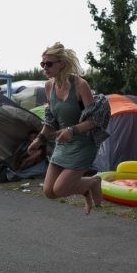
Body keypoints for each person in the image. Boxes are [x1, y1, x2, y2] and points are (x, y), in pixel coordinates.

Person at [27, 42, 110, 214]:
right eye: (42, 64)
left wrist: (72, 130)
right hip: (62, 143)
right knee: (49, 192)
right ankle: (86, 188)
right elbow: (50, 121)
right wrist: (39, 140)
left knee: (60, 189)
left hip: (83, 144)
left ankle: (93, 183)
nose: (45, 68)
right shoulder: (49, 86)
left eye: (49, 64)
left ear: (62, 64)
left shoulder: (80, 85)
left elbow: (95, 120)